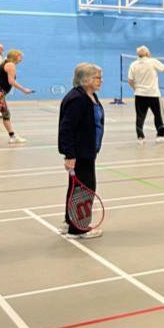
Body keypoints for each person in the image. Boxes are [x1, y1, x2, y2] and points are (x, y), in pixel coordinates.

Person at [58, 63, 105, 239]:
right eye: (97, 77)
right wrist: (69, 155)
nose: (101, 81)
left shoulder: (89, 96)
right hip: (80, 153)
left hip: (88, 151)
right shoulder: (77, 99)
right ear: (86, 80)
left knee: (76, 188)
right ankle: (79, 229)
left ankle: (70, 222)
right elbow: (67, 128)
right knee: (85, 189)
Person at [0, 49, 32, 148]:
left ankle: (12, 137)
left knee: (6, 114)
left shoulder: (6, 62)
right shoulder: (10, 65)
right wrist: (24, 90)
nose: (21, 59)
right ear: (15, 56)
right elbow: (11, 81)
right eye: (20, 56)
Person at [127, 46, 164, 144]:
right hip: (153, 94)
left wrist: (136, 89)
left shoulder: (133, 64)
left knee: (140, 116)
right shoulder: (153, 61)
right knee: (159, 115)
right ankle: (160, 136)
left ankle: (140, 137)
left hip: (139, 95)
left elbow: (130, 80)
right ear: (147, 53)